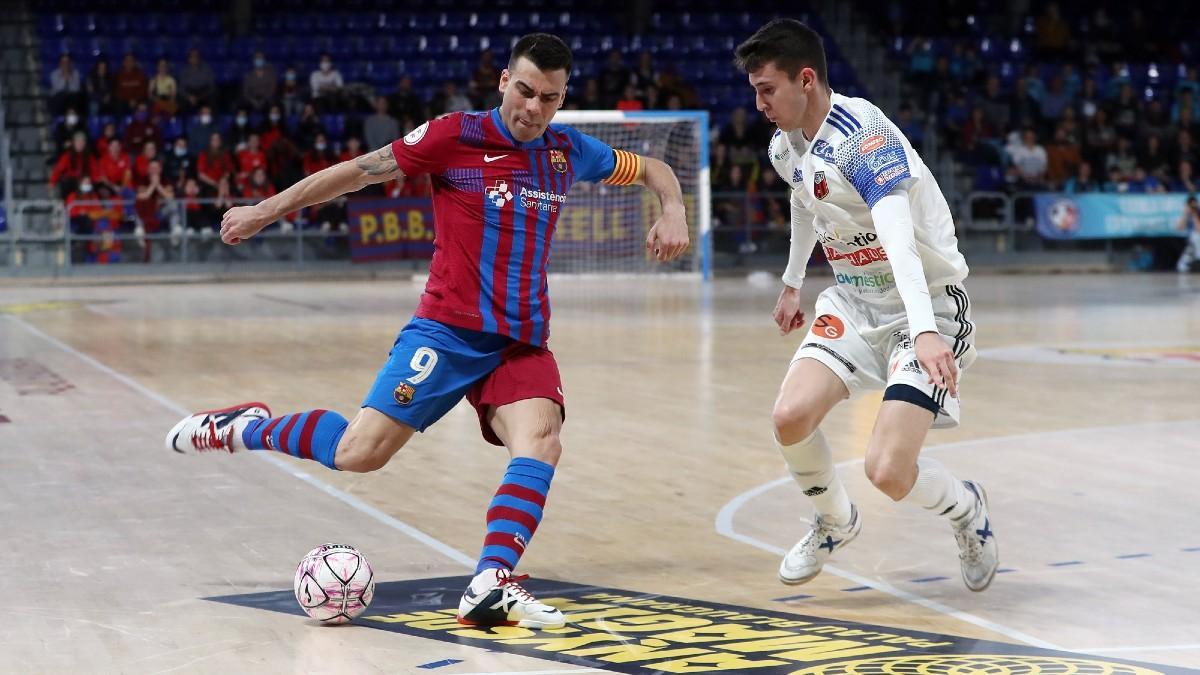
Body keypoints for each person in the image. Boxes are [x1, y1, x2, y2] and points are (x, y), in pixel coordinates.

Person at [164, 33, 689, 628]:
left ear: (562, 98)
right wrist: (265, 210)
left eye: (549, 97)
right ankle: (247, 428)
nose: (533, 108)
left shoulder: (570, 151)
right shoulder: (453, 136)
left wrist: (672, 208)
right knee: (358, 454)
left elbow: (655, 168)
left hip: (520, 340)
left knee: (541, 439)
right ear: (502, 82)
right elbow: (356, 173)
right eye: (524, 91)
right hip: (445, 333)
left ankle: (490, 582)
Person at [734, 19, 998, 592]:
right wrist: (791, 281)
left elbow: (899, 241)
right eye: (754, 90)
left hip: (924, 305)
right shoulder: (786, 145)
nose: (758, 104)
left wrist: (926, 332)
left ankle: (967, 512)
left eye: (766, 89)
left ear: (806, 79)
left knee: (888, 472)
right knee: (789, 417)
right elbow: (806, 205)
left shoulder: (863, 137)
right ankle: (833, 519)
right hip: (855, 301)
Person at [1177, 195, 1200, 273]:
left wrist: (1195, 215)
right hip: (1191, 244)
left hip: (1197, 241)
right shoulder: (1186, 214)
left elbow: (1198, 229)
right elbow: (1179, 228)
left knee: (1196, 235)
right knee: (1181, 267)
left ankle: (1198, 258)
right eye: (1191, 205)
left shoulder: (1198, 214)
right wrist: (1185, 214)